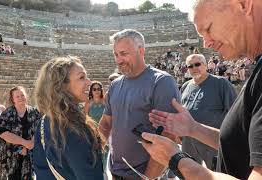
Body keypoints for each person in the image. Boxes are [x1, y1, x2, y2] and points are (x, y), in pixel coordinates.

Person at [141, 0, 262, 179]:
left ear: (244, 4)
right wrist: (193, 128)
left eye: (208, 28)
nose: (206, 43)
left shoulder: (222, 84)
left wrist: (177, 161)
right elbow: (241, 144)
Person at [98, 29, 181, 179]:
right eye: (115, 54)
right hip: (116, 172)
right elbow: (105, 123)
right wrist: (95, 153)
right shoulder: (115, 85)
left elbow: (168, 137)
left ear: (141, 51)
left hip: (145, 175)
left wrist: (148, 178)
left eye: (124, 54)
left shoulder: (161, 82)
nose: (118, 60)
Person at [33, 56, 104, 179]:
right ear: (62, 86)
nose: (89, 82)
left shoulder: (44, 121)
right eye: (82, 77)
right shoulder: (74, 129)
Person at [180, 54, 237, 170]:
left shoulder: (221, 83)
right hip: (189, 140)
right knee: (190, 172)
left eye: (197, 64)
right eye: (190, 66)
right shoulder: (185, 86)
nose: (194, 68)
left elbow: (234, 113)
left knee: (217, 172)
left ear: (205, 65)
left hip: (211, 140)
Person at [0, 86, 41, 180]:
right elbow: (3, 133)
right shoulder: (7, 113)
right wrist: (24, 144)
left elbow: (40, 129)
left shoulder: (34, 112)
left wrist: (30, 144)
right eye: (17, 96)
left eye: (22, 95)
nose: (21, 98)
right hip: (11, 155)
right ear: (13, 99)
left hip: (30, 154)